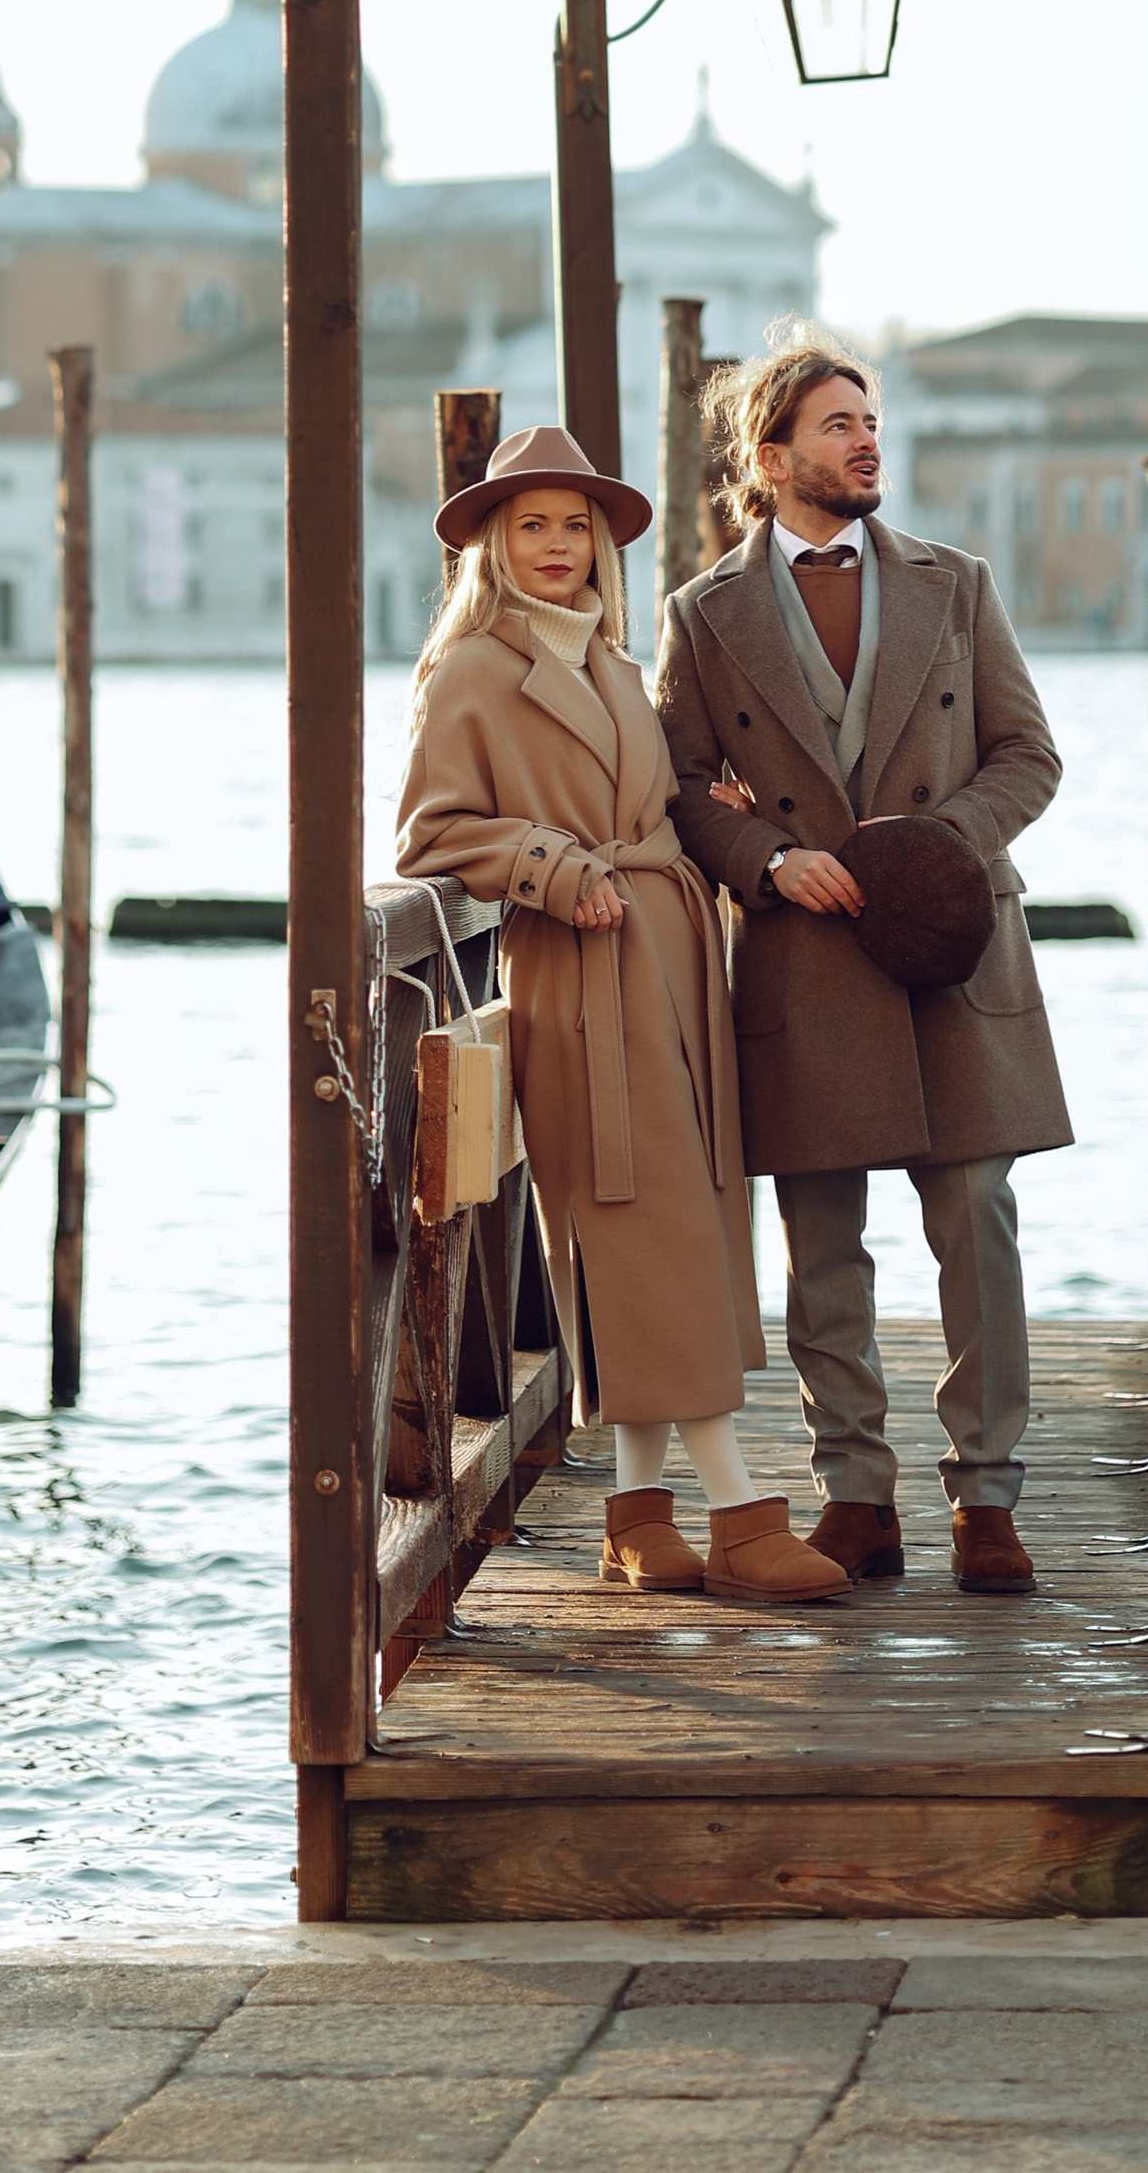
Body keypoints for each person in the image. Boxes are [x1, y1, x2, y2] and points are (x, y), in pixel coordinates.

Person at [395, 423, 846, 1604]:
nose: (557, 544)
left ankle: (635, 1510)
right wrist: (550, 863)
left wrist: (700, 800)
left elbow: (641, 787)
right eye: (532, 523)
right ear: (493, 540)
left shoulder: (609, 658)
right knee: (645, 1231)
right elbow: (430, 834)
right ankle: (741, 1509)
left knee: (682, 1226)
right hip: (582, 975)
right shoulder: (472, 668)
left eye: (575, 524)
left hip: (673, 960)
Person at [655, 330, 1070, 1594]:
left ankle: (984, 1501)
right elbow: (677, 787)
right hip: (804, 957)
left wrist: (932, 851)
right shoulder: (702, 614)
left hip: (950, 950)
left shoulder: (957, 582)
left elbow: (1027, 756)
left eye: (868, 418)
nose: (865, 440)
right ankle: (857, 1495)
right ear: (768, 456)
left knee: (976, 1226)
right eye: (836, 424)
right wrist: (769, 862)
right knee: (820, 1248)